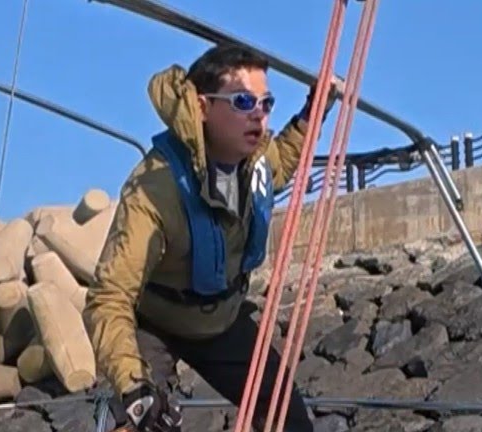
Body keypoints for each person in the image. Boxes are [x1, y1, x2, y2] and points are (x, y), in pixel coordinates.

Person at [82, 44, 338, 432]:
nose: (259, 114)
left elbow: (284, 159)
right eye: (242, 101)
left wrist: (314, 109)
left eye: (266, 103)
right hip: (155, 323)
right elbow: (109, 296)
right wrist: (133, 386)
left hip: (222, 320)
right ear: (203, 107)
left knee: (289, 420)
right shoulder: (155, 188)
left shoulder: (255, 164)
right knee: (139, 420)